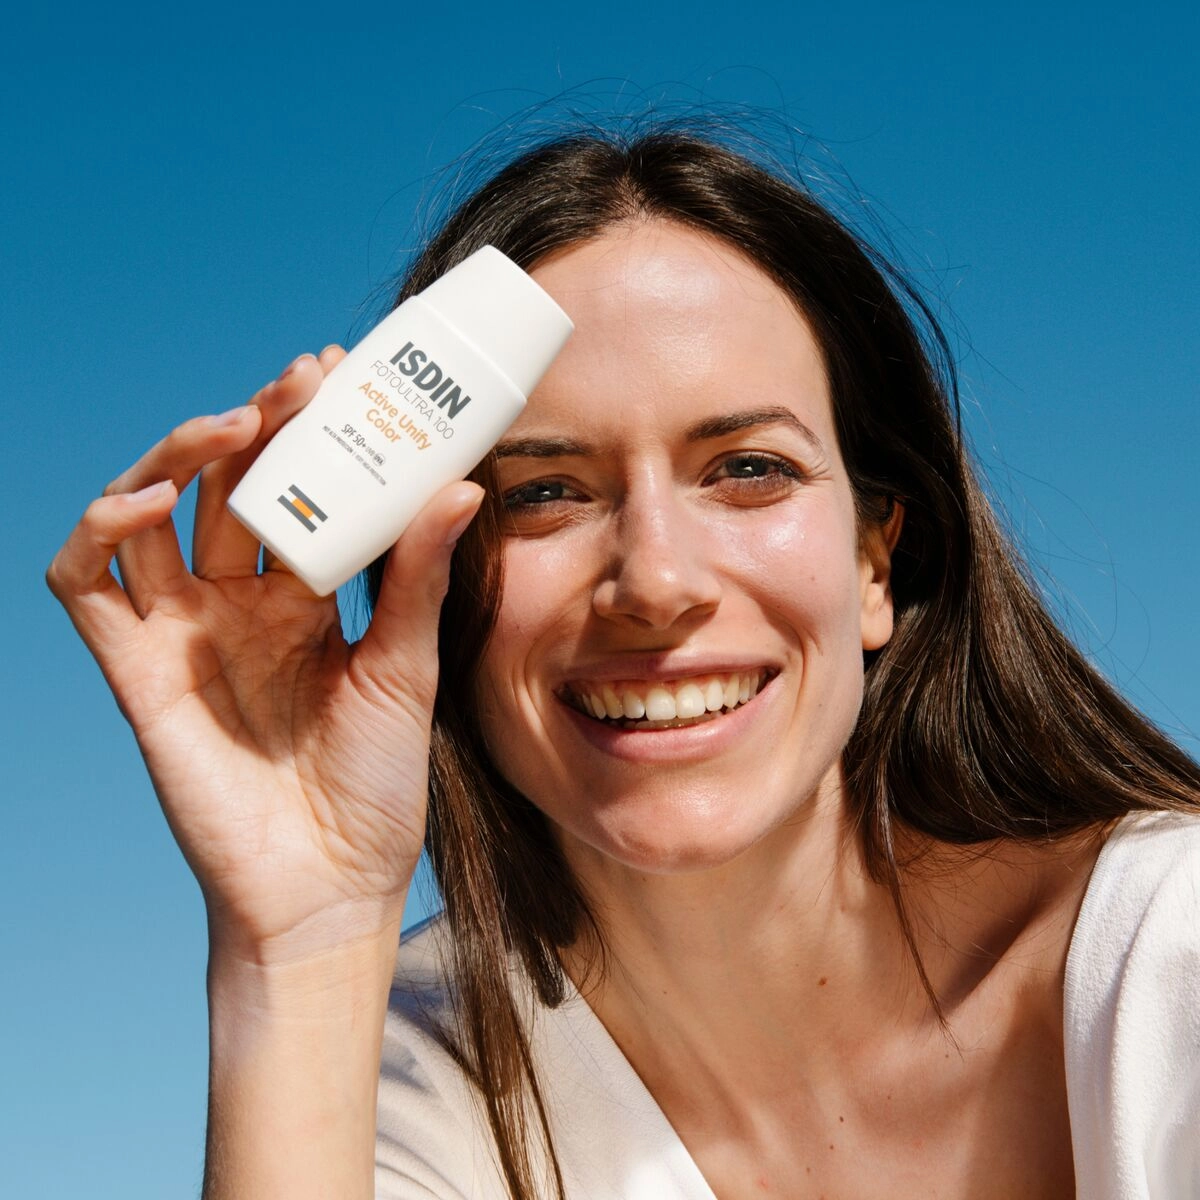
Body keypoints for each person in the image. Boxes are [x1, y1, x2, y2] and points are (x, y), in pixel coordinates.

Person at [48, 127, 1200, 1200]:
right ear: (431, 589)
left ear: (872, 564)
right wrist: (299, 948)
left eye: (748, 470)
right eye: (546, 491)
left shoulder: (1172, 948)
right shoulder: (397, 1074)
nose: (654, 579)